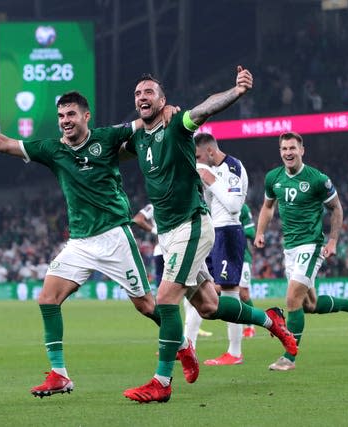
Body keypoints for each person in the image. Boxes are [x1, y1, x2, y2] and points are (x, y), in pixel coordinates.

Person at [0, 91, 175, 398]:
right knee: (47, 299)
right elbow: (4, 144)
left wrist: (168, 110)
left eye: (71, 115)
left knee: (146, 306)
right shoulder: (52, 149)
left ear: (86, 116)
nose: (65, 121)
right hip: (80, 242)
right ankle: (59, 374)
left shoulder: (107, 138)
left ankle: (182, 344)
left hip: (114, 237)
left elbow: (145, 121)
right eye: (61, 116)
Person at [121, 67, 298, 403]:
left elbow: (204, 109)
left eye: (149, 92)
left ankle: (162, 380)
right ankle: (271, 320)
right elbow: (108, 146)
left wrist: (236, 91)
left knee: (166, 301)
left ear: (163, 101)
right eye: (138, 94)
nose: (142, 97)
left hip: (192, 225)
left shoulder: (176, 124)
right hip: (169, 233)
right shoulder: (137, 137)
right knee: (209, 306)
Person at [254, 131, 348, 371]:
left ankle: (289, 356)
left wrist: (333, 241)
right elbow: (267, 206)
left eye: (292, 148)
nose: (288, 153)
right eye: (284, 149)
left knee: (292, 298)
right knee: (309, 305)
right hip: (290, 249)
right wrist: (260, 232)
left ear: (302, 150)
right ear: (280, 152)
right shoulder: (273, 178)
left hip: (311, 245)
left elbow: (336, 208)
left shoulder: (317, 179)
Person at [193, 133, 249, 366]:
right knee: (201, 288)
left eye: (198, 156)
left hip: (228, 233)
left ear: (210, 152)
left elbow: (235, 206)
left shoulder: (232, 167)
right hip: (215, 234)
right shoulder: (214, 171)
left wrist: (209, 178)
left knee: (229, 292)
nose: (197, 161)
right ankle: (188, 342)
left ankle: (235, 352)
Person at [133, 204, 213, 339]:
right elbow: (137, 220)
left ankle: (184, 331)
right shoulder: (156, 205)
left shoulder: (157, 204)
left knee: (173, 295)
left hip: (166, 250)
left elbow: (138, 219)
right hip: (170, 250)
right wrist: (155, 231)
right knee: (173, 295)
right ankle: (179, 336)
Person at [239, 203, 257, 338]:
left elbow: (251, 232)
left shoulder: (242, 207)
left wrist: (233, 231)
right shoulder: (214, 204)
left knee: (243, 294)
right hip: (222, 256)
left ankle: (251, 325)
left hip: (242, 257)